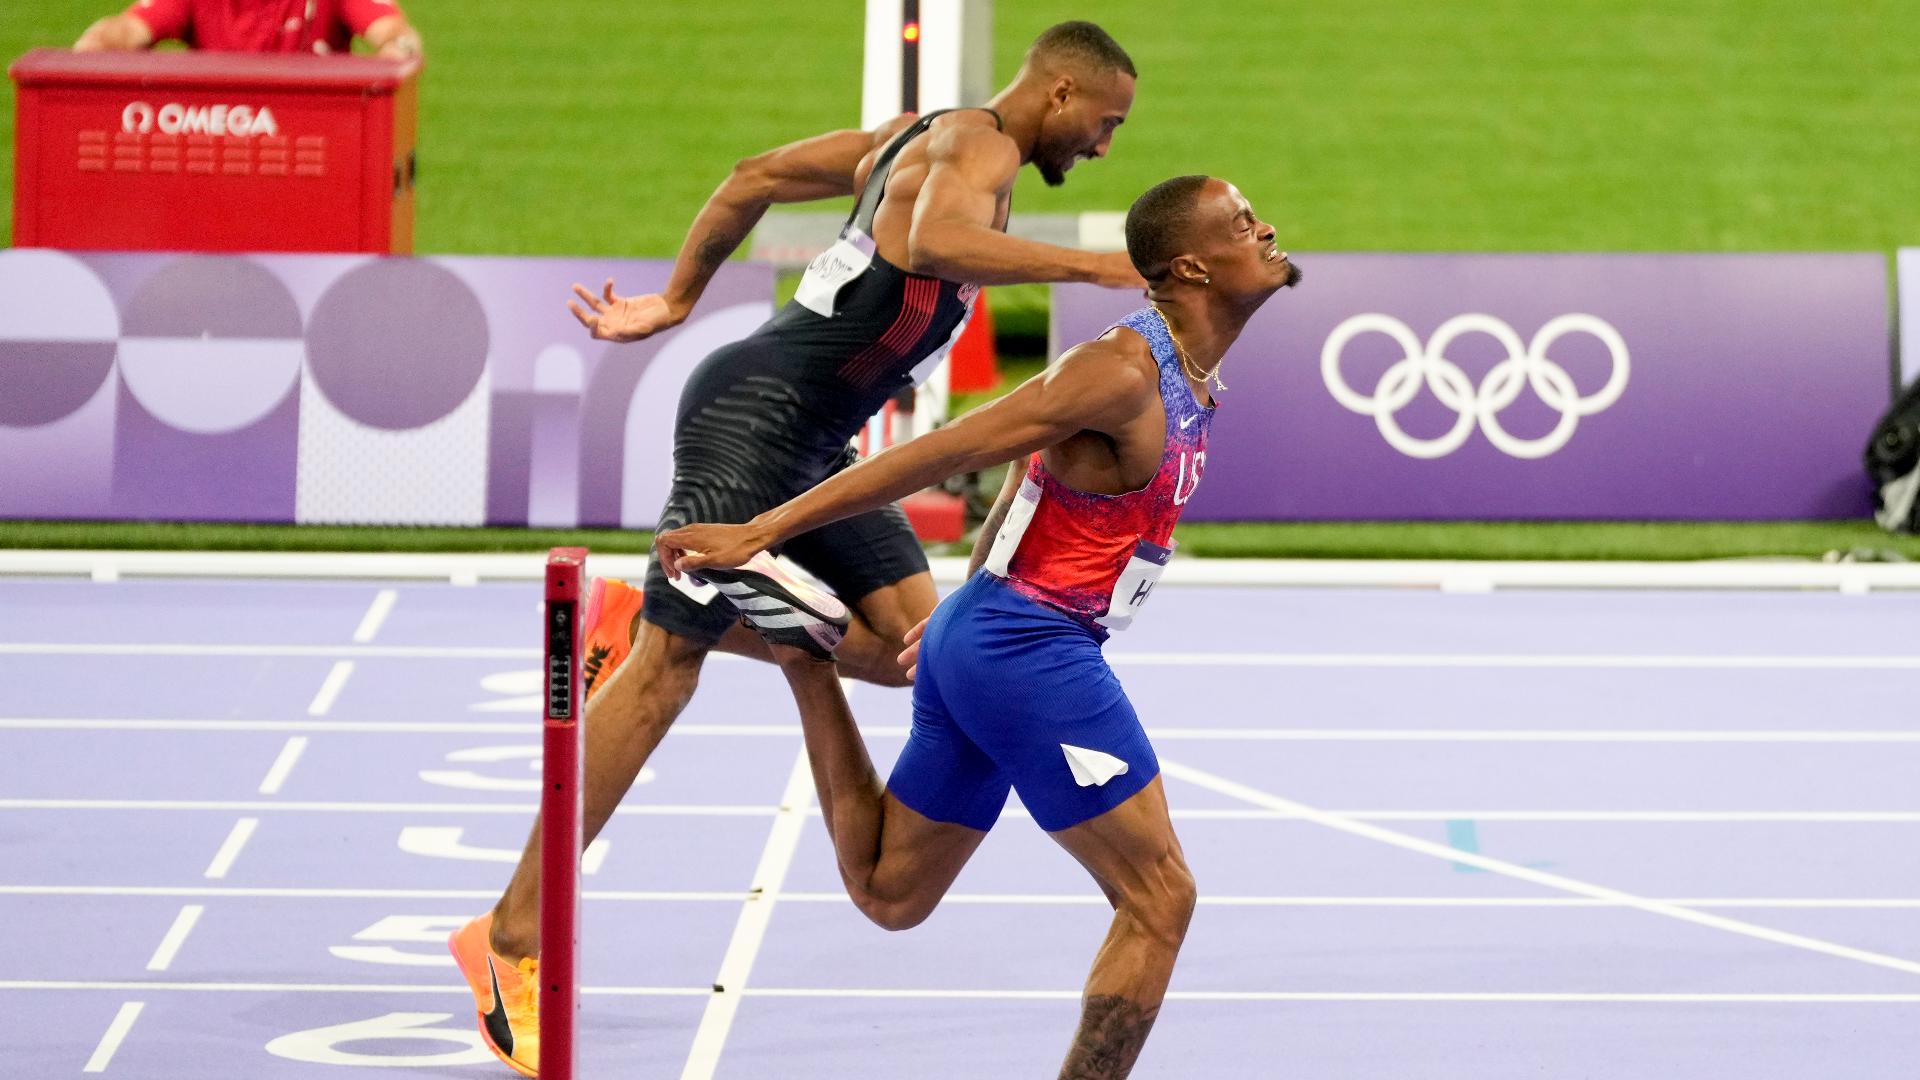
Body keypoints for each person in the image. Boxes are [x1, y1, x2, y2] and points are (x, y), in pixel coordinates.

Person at [449, 21, 1145, 1077]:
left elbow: (754, 176)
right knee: (661, 682)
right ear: (1058, 93)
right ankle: (506, 940)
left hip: (813, 439)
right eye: (1106, 123)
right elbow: (942, 245)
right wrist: (1094, 263)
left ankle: (669, 617)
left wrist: (679, 297)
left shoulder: (903, 138)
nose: (1104, 147)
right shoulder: (980, 149)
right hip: (751, 425)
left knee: (926, 649)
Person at [658, 175, 1301, 1079]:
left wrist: (960, 601)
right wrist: (765, 529)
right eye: (1244, 221)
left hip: (993, 631)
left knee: (890, 893)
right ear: (1192, 265)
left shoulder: (1188, 374)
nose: (1266, 226)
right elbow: (953, 447)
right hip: (1032, 648)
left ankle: (800, 652)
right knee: (1161, 899)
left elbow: (1028, 478)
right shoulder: (1119, 372)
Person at [74, 0, 423, 59]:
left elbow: (395, 34)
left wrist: (400, 50)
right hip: (216, 151)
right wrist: (99, 40)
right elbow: (129, 30)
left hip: (313, 148)